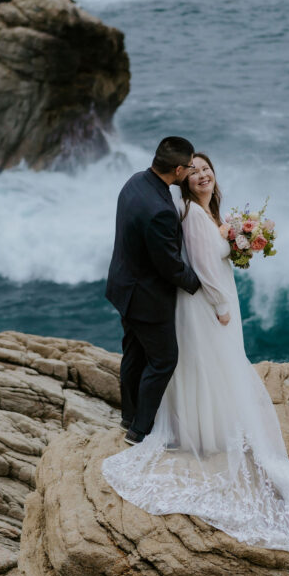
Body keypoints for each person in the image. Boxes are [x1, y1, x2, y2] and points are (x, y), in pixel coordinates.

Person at [102, 153, 289, 553]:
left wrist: (237, 241)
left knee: (213, 362)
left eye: (206, 168)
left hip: (212, 297)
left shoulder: (211, 212)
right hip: (207, 303)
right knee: (207, 362)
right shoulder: (193, 216)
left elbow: (216, 255)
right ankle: (196, 430)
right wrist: (221, 304)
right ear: (183, 180)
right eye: (193, 171)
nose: (202, 175)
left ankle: (201, 423)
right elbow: (203, 268)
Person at [105, 136, 202, 445]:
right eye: (189, 167)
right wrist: (200, 284)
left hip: (123, 287)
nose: (190, 172)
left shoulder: (136, 181)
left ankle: (129, 415)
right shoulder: (160, 209)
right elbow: (169, 266)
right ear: (177, 170)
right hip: (146, 298)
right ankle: (139, 431)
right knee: (163, 361)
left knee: (133, 353)